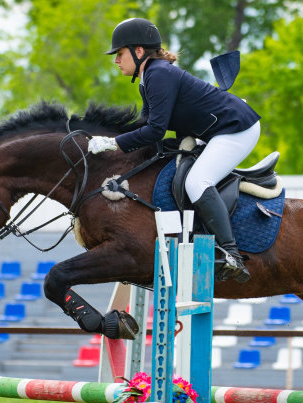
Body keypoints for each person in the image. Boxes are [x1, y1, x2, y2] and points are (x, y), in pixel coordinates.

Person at [87, 17, 260, 283]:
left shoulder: (159, 74)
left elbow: (155, 131)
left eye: (120, 53)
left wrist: (112, 143)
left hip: (236, 129)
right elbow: (146, 125)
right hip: (215, 131)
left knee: (197, 181)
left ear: (139, 51)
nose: (116, 60)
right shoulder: (150, 76)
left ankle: (232, 255)